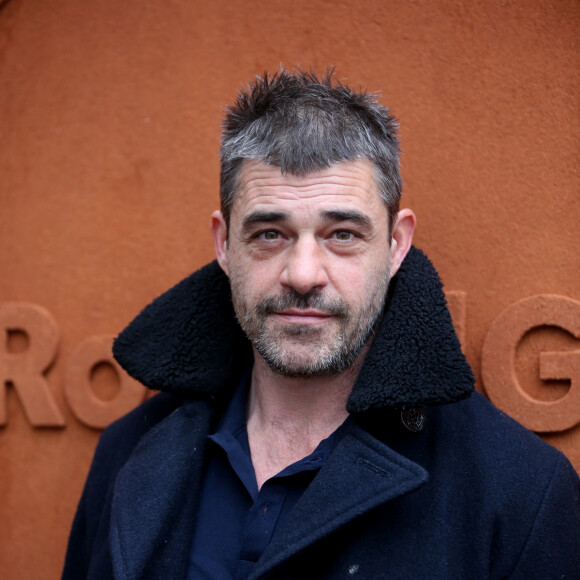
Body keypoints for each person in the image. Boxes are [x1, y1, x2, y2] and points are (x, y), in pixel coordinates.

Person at [62, 70, 580, 580]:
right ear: (223, 244)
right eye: (269, 234)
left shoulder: (521, 493)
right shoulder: (128, 453)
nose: (304, 275)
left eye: (342, 234)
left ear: (396, 244)